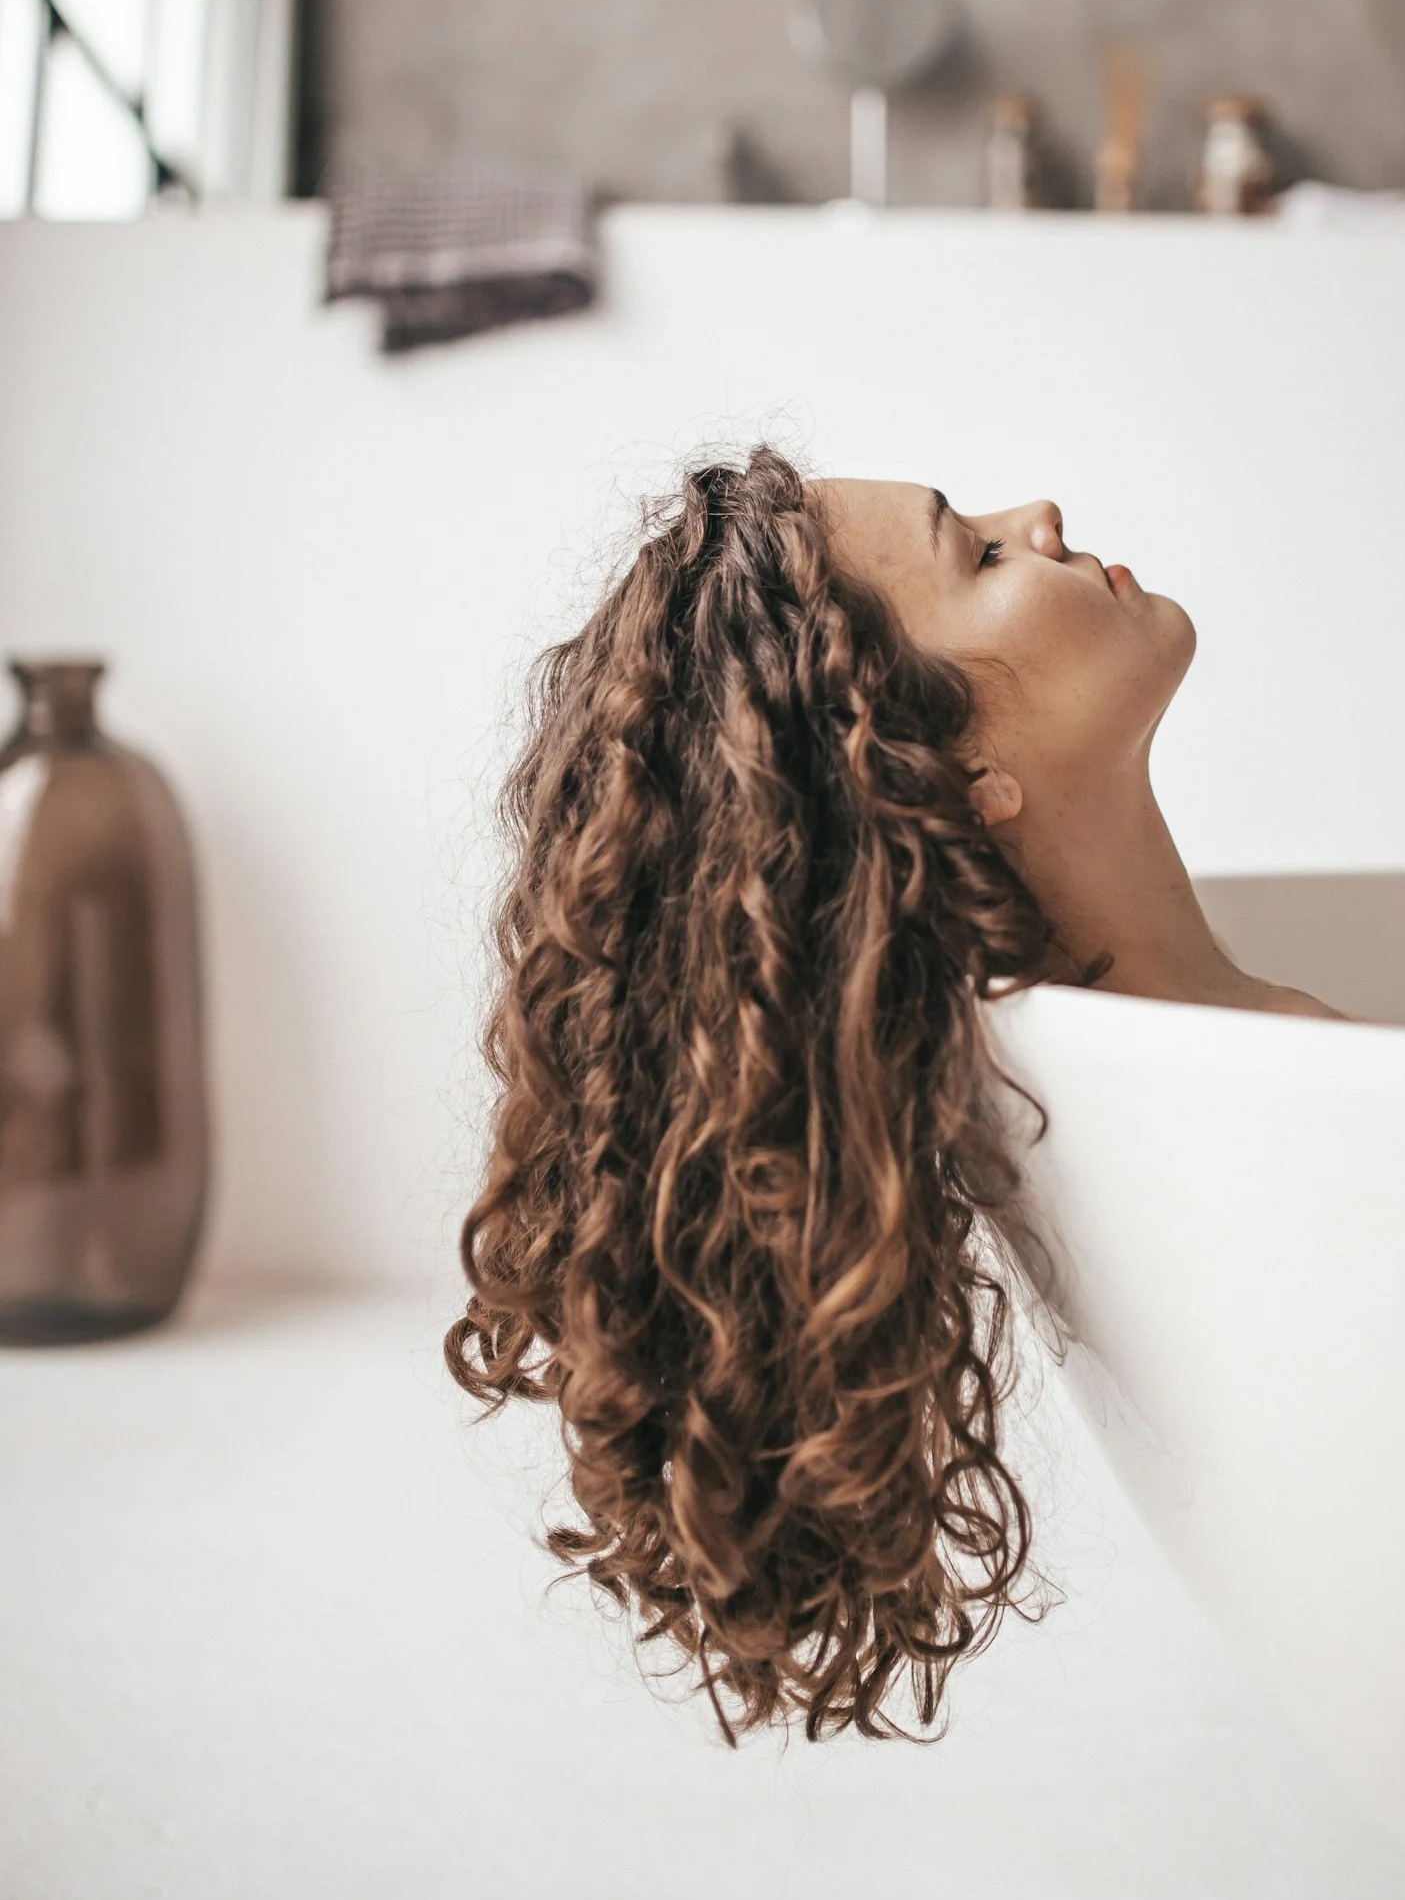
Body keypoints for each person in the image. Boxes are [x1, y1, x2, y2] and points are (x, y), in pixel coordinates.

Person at [444, 443, 1349, 1748]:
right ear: (956, 769)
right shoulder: (1267, 1096)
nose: (1036, 514)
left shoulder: (1200, 1054)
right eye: (979, 555)